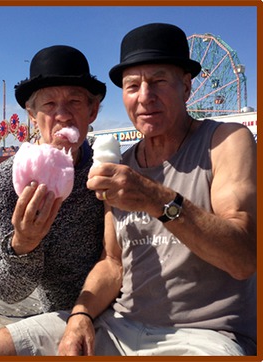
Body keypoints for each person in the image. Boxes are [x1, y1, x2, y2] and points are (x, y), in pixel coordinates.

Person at [58, 23, 257, 356]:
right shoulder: (122, 164)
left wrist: (156, 199)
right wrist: (80, 316)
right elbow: (112, 263)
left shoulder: (226, 141)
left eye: (159, 81)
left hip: (206, 336)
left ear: (187, 87)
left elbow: (242, 259)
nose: (145, 97)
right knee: (1, 345)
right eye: (132, 85)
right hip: (118, 325)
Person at [0, 45, 106, 355]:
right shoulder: (4, 183)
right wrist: (24, 245)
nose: (63, 115)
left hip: (118, 306)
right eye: (50, 104)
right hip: (55, 317)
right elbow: (7, 292)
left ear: (92, 111)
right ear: (32, 115)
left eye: (74, 102)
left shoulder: (108, 171)